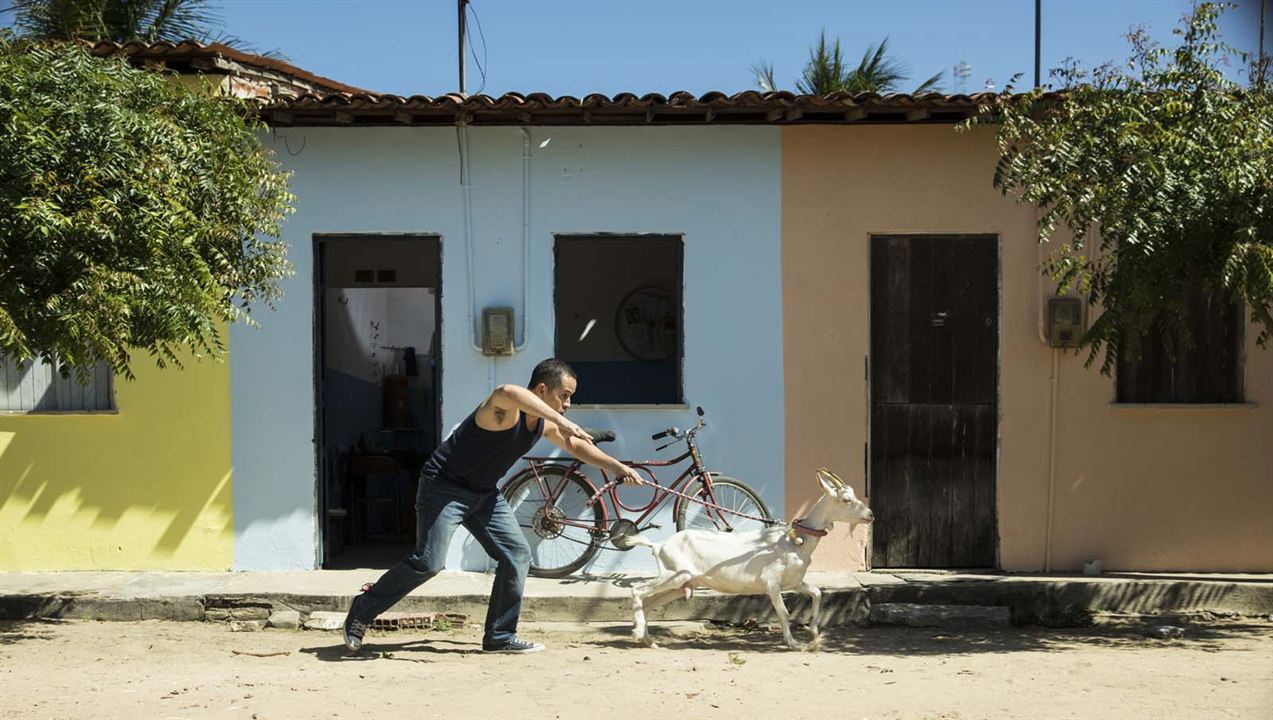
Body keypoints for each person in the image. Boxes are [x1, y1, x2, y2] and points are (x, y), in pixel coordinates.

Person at [342, 358, 641, 654]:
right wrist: (564, 421)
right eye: (564, 395)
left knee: (517, 555)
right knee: (429, 562)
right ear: (541, 389)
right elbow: (507, 389)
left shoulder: (543, 426)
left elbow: (576, 446)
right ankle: (362, 609)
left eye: (570, 397)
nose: (568, 403)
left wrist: (618, 467)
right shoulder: (503, 413)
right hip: (444, 488)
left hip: (484, 494)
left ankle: (499, 636)